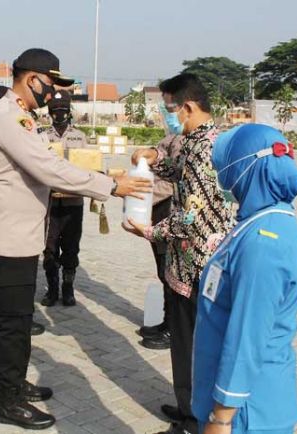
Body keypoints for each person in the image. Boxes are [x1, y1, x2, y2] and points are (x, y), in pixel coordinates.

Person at [0, 48, 151, 430]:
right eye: (50, 84)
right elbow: (48, 167)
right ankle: (7, 399)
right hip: (7, 237)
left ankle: (16, 384)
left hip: (17, 234)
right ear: (31, 78)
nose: (52, 93)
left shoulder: (19, 115)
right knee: (13, 322)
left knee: (18, 318)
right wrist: (110, 186)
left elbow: (46, 167)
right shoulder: (9, 116)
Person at [124, 73, 235, 434]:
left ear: (187, 107)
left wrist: (149, 231)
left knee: (191, 346)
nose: (167, 117)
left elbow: (190, 216)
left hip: (199, 265)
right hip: (188, 261)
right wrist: (153, 157)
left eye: (171, 110)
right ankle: (189, 406)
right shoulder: (198, 140)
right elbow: (179, 173)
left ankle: (193, 420)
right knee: (189, 345)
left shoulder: (205, 148)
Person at [192, 124, 297, 434]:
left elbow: (248, 337)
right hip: (243, 403)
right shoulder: (262, 220)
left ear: (247, 166)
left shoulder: (263, 241)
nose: (222, 175)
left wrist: (221, 417)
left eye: (227, 165)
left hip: (247, 413)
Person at [0, 85, 47, 337]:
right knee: (5, 280)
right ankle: (5, 315)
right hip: (7, 215)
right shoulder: (0, 127)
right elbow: (41, 166)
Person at [133, 133, 184, 350]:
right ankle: (167, 321)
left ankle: (175, 329)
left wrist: (141, 193)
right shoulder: (172, 136)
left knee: (172, 271)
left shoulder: (191, 139)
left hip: (171, 211)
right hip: (159, 210)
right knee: (163, 271)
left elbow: (175, 181)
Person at [41, 89, 89, 307]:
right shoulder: (41, 137)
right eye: (55, 111)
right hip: (49, 202)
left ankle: (67, 289)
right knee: (49, 248)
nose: (59, 115)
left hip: (73, 202)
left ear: (69, 112)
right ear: (49, 113)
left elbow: (88, 166)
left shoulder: (80, 136)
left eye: (62, 111)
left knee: (71, 248)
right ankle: (52, 289)